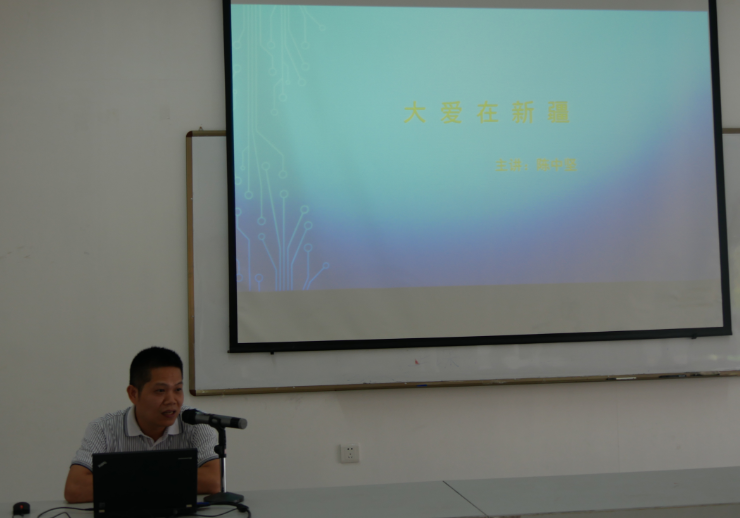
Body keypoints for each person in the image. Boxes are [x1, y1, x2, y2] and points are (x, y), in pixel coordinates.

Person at [64, 347, 221, 503]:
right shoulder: (103, 429)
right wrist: (171, 479)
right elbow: (75, 488)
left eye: (178, 389)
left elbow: (213, 481)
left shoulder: (197, 423)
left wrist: (126, 481)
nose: (172, 400)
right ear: (133, 394)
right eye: (160, 390)